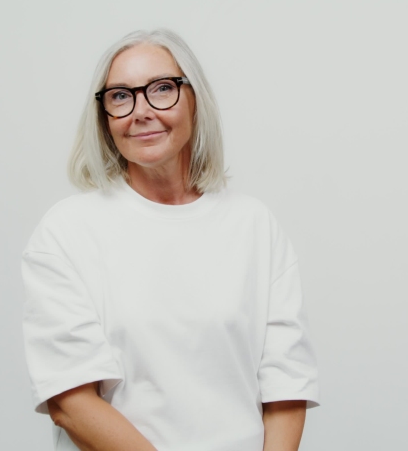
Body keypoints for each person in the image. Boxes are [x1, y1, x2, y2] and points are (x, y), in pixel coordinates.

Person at [21, 28, 320, 451]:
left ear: (195, 99)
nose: (141, 110)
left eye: (162, 89)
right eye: (121, 96)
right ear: (104, 116)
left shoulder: (254, 225)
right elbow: (70, 400)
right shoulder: (66, 232)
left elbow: (286, 385)